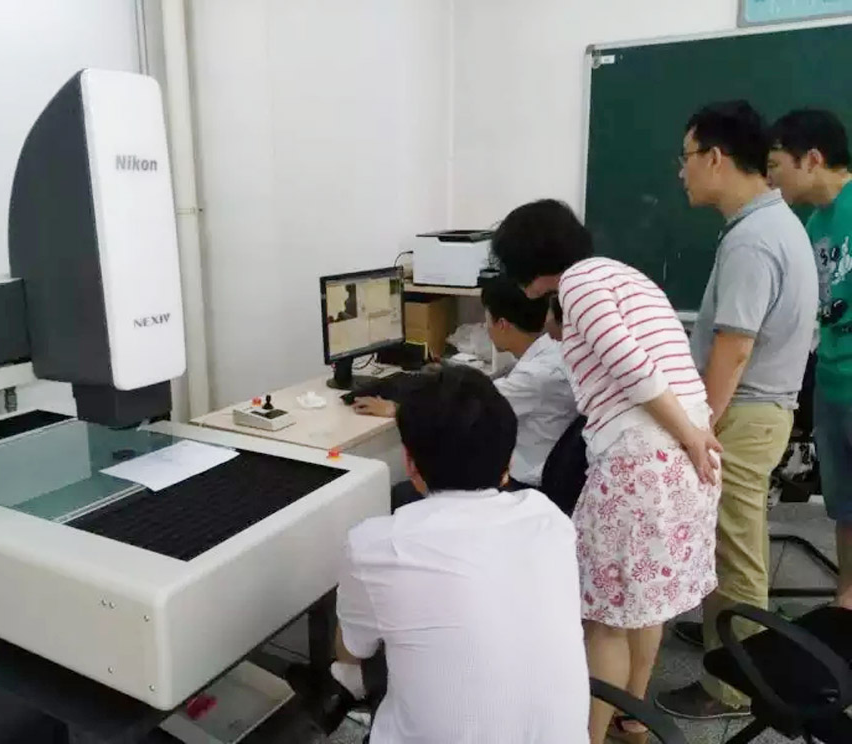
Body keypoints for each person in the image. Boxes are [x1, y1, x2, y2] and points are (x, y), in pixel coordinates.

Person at [492, 199, 721, 744]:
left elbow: (631, 366)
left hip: (643, 461)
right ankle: (632, 718)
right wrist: (693, 433)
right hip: (682, 463)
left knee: (605, 619)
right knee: (644, 605)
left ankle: (587, 737)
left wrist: (687, 434)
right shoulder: (622, 276)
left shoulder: (577, 283)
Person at [657, 101, 818, 720]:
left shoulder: (753, 239)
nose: (682, 173)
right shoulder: (773, 223)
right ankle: (722, 633)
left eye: (686, 158)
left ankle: (737, 689)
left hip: (744, 414)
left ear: (716, 158)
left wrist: (699, 424)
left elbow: (735, 346)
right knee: (730, 545)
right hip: (761, 410)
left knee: (735, 553)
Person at [334, 364, 590, 743]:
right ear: (508, 464)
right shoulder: (550, 520)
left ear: (410, 463)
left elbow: (353, 651)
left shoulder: (374, 545)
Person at [353, 277, 578, 490]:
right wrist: (448, 371)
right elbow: (490, 387)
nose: (485, 327)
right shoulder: (552, 350)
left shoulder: (534, 376)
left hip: (519, 479)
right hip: (535, 465)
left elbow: (460, 410)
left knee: (405, 488)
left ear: (502, 324)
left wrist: (396, 409)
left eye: (486, 319)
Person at [767, 109, 852, 610]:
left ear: (813, 159)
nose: (771, 178)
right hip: (831, 383)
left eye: (776, 165)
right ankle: (846, 603)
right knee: (844, 508)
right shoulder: (814, 223)